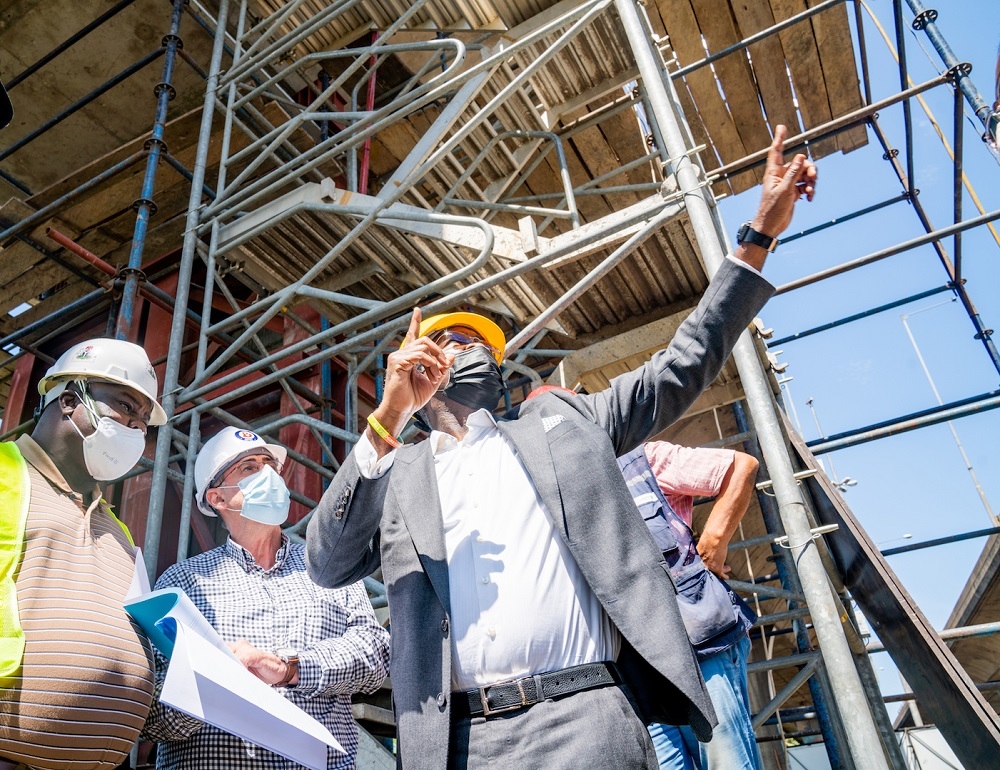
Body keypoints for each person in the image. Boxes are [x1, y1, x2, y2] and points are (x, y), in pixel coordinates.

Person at [305, 125, 817, 769]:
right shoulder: (399, 469)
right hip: (462, 744)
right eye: (451, 342)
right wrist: (388, 416)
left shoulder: (564, 423)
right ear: (417, 365)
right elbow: (325, 563)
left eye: (481, 345)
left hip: (587, 718)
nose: (469, 350)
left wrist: (758, 237)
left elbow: (682, 366)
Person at [142, 427, 390, 770]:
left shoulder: (327, 568)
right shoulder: (182, 583)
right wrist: (206, 685)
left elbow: (375, 654)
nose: (270, 475)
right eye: (249, 468)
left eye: (271, 465)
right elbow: (150, 715)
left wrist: (290, 668)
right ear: (217, 498)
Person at [0, 338, 167, 770]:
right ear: (72, 402)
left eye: (144, 422)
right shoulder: (4, 475)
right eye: (127, 408)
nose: (136, 430)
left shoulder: (119, 530)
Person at [618, 440, 761, 770]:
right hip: (642, 660)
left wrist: (712, 545)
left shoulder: (644, 458)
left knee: (726, 760)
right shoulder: (567, 488)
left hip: (699, 642)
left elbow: (740, 466)